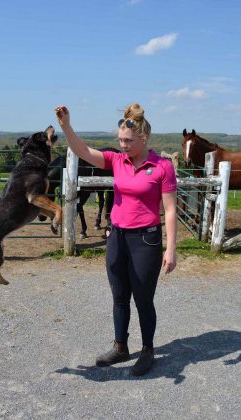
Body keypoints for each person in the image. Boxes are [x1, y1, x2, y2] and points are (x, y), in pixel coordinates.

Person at [55, 103, 177, 376]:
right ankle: (120, 346)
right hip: (117, 237)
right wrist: (66, 127)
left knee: (143, 299)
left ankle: (147, 350)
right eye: (120, 140)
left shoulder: (162, 167)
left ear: (144, 139)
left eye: (128, 141)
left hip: (146, 240)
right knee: (119, 296)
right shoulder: (116, 160)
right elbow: (83, 151)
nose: (123, 145)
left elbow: (169, 210)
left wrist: (171, 248)